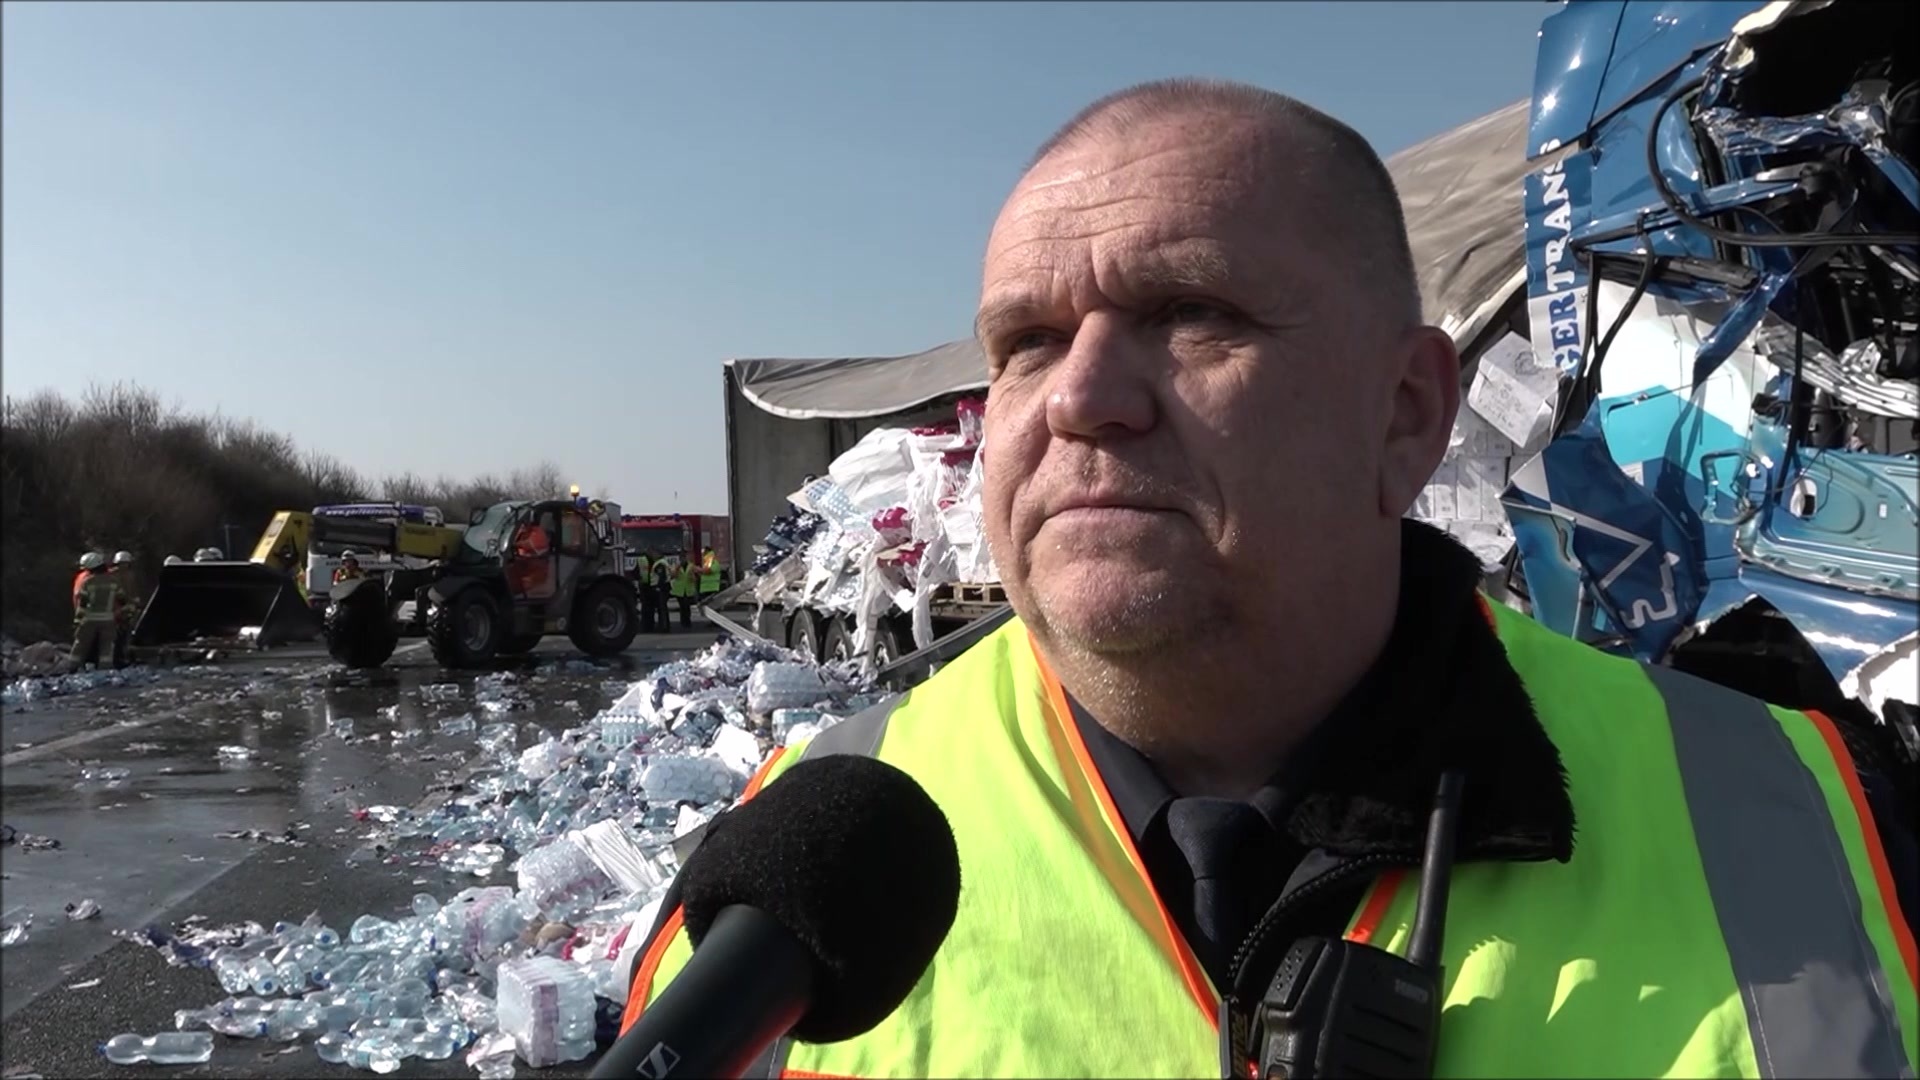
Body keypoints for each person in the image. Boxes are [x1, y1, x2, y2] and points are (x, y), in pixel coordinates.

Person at [621, 80, 1919, 1077]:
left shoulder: (1794, 823)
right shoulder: (787, 883)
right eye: (1026, 342)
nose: (1078, 396)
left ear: (1407, 414)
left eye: (1195, 314)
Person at [70, 552, 125, 669]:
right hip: (108, 620)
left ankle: (72, 667)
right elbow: (122, 600)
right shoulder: (114, 581)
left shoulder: (88, 582)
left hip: (89, 620)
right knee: (106, 648)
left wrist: (77, 621)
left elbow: (82, 604)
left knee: (80, 645)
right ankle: (106, 669)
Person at [108, 550, 140, 669]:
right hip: (115, 608)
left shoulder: (130, 576)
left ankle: (124, 656)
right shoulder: (111, 576)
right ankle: (115, 659)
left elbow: (132, 590)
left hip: (126, 608)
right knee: (115, 635)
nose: (124, 567)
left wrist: (134, 601)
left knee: (126, 633)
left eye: (126, 564)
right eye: (122, 564)